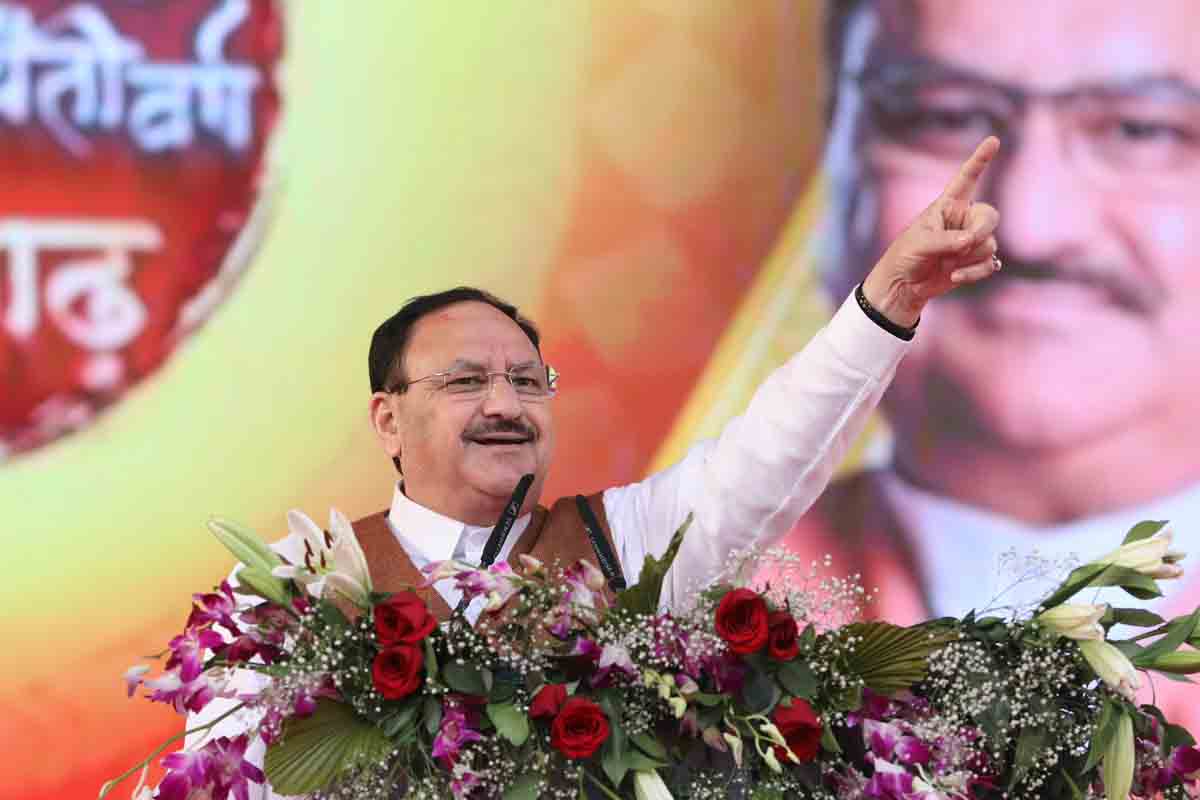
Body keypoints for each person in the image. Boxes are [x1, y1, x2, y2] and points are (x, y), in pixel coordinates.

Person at [182, 133, 1002, 796]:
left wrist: (889, 302)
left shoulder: (627, 543)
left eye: (528, 380)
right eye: (467, 381)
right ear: (387, 419)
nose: (505, 404)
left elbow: (773, 453)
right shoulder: (293, 589)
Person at [778, 0, 1200, 729]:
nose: (1035, 224)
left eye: (1141, 130)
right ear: (833, 161)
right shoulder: (642, 622)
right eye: (943, 117)